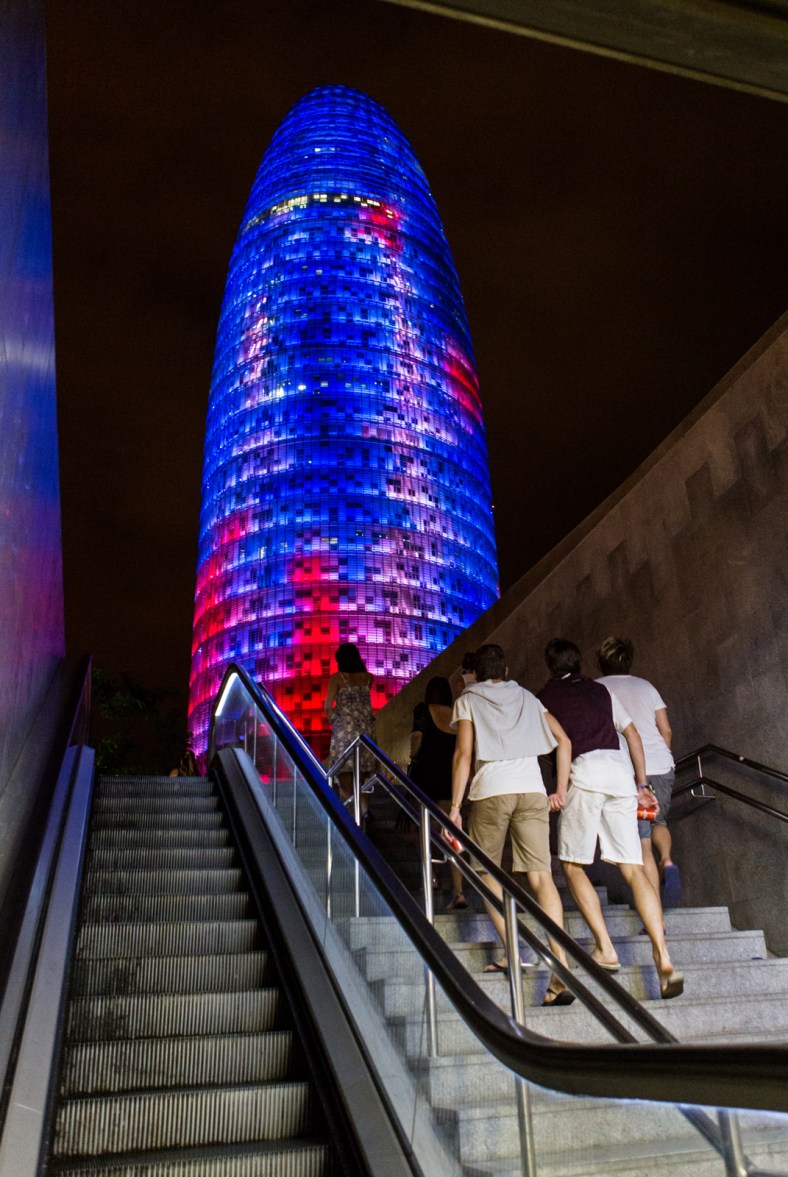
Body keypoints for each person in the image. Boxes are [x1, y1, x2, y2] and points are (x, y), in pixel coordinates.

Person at [537, 639, 683, 999]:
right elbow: (632, 734)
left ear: (549, 665)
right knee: (633, 868)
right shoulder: (598, 690)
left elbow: (553, 746)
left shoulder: (545, 697)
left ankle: (605, 946)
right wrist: (642, 784)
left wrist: (557, 785)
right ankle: (664, 957)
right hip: (620, 776)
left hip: (584, 774)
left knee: (572, 865)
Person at [448, 643, 576, 1006]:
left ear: (475, 670)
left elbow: (463, 755)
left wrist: (456, 807)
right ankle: (561, 969)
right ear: (504, 667)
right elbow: (563, 739)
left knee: (485, 872)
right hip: (533, 789)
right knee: (542, 878)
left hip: (491, 791)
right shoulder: (529, 698)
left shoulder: (469, 698)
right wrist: (560, 788)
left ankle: (512, 949)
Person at [596, 636, 681, 907]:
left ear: (601, 663)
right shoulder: (646, 686)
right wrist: (661, 757)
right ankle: (667, 860)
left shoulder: (597, 689)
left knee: (642, 841)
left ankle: (654, 910)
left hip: (632, 772)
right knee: (660, 822)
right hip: (661, 764)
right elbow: (665, 730)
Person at [409, 676, 466, 909]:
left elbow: (417, 738)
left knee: (421, 829)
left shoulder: (423, 709)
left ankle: (431, 878)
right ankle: (459, 891)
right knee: (452, 834)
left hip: (425, 776)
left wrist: (412, 757)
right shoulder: (456, 712)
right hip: (449, 778)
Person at [324, 643, 376, 817]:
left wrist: (336, 723)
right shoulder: (369, 677)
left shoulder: (337, 678)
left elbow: (327, 707)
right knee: (363, 774)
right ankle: (365, 810)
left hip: (344, 733)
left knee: (346, 777)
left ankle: (349, 817)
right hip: (366, 732)